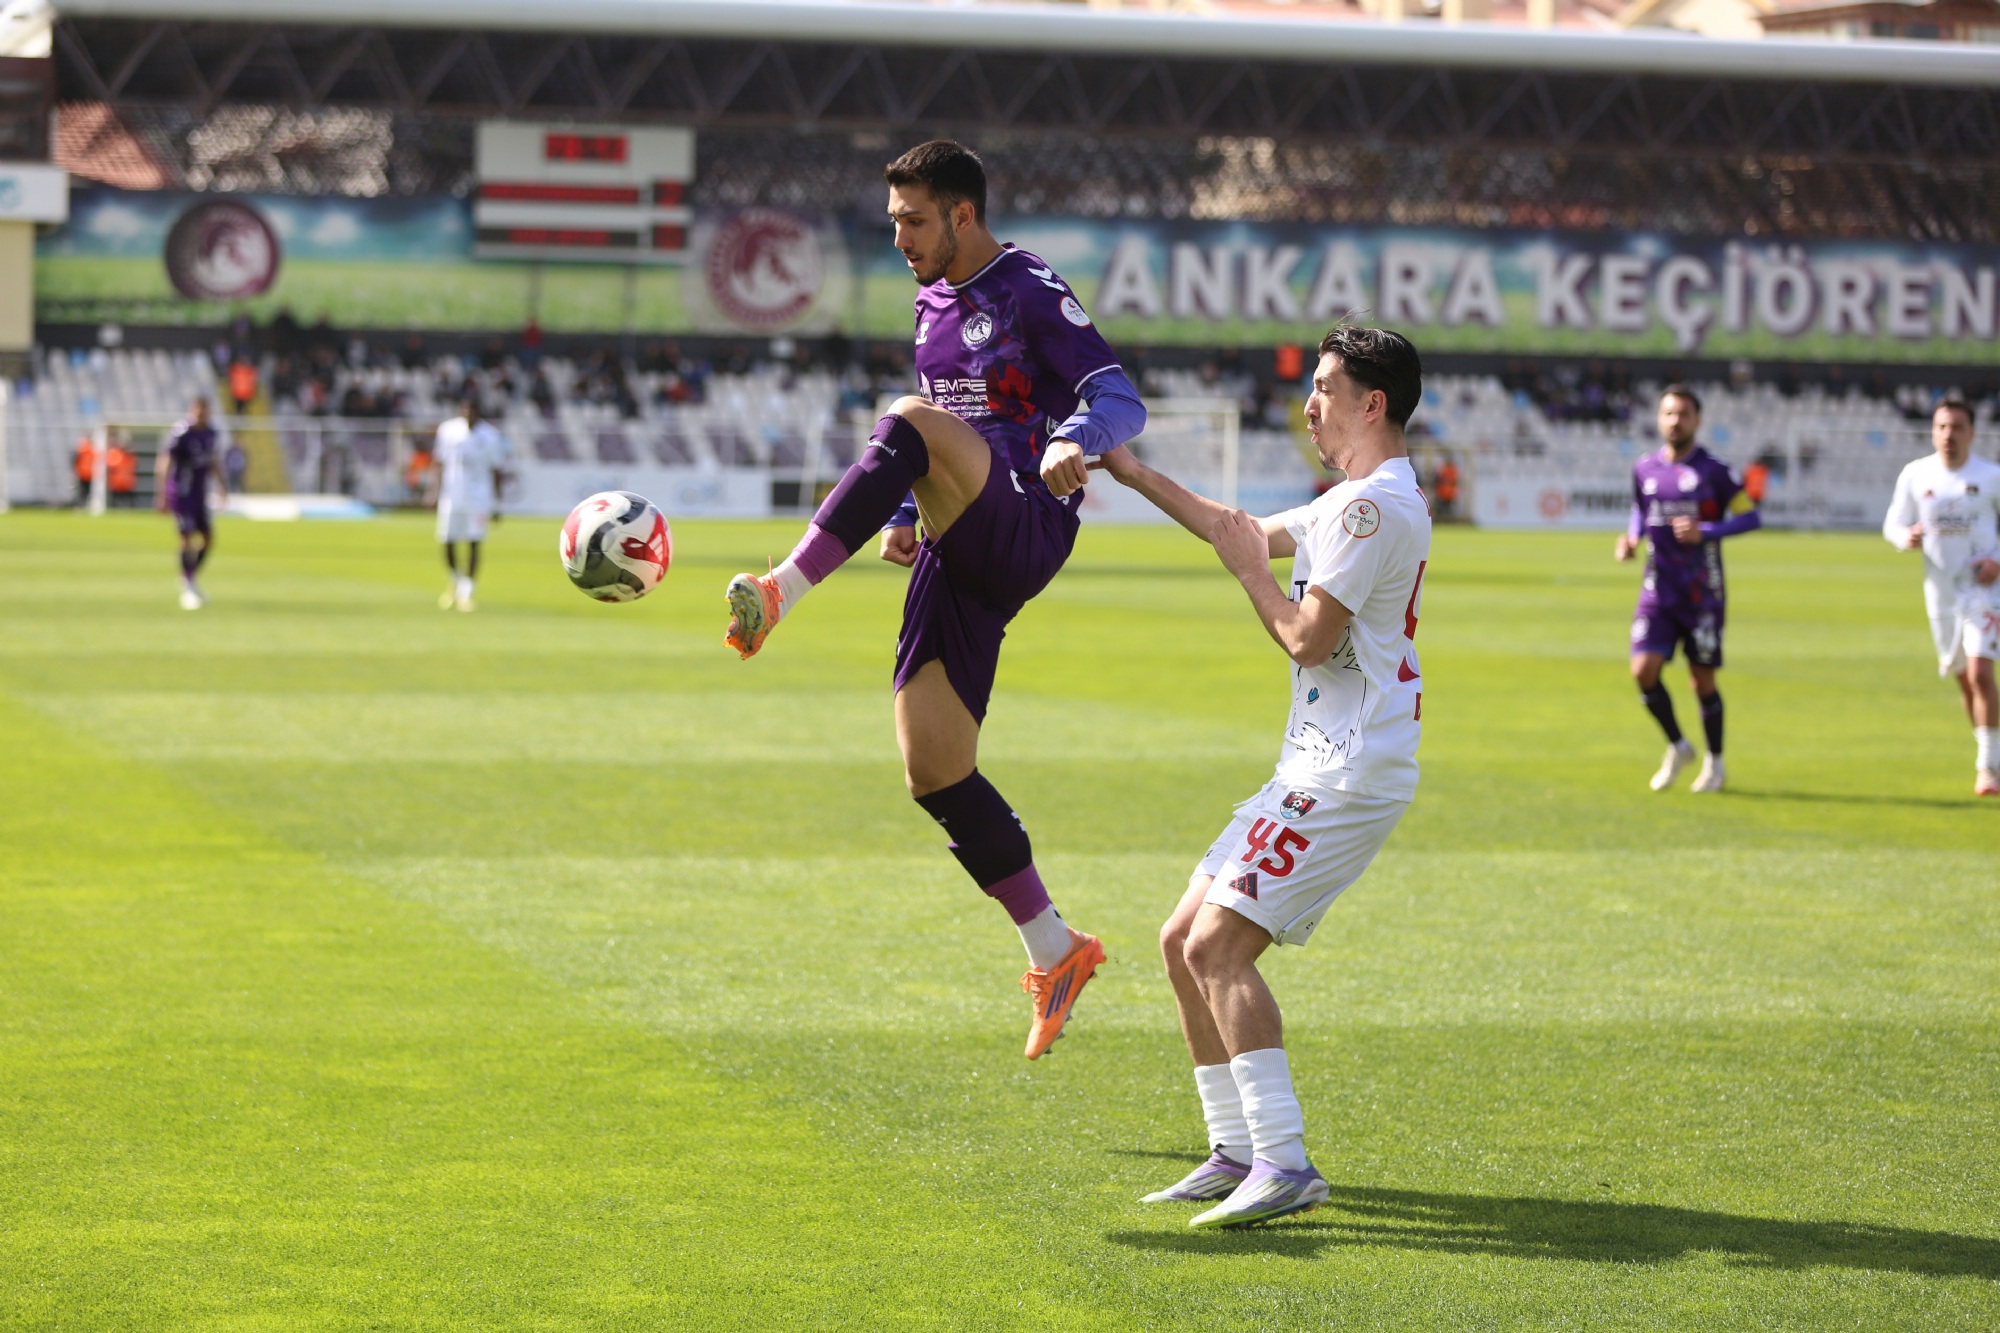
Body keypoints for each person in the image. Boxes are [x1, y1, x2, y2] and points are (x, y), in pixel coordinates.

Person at [721, 140, 1148, 1059]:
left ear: (962, 214)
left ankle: (781, 587)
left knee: (904, 415)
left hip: (1028, 516)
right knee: (935, 770)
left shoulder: (1027, 286)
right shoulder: (929, 305)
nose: (900, 239)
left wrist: (1074, 436)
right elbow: (943, 428)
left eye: (914, 220)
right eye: (894, 222)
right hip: (961, 539)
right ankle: (1056, 948)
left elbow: (1121, 397)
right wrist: (909, 512)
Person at [1101, 325, 1430, 1229]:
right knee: (1181, 938)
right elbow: (1233, 527)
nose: (1309, 405)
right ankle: (1235, 1150)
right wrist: (1129, 471)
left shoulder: (1369, 513)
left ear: (1372, 403)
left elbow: (1306, 637)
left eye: (1324, 387)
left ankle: (1284, 1161)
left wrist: (1252, 574)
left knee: (1218, 946)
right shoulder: (1353, 502)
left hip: (1347, 771)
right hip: (1314, 761)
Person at [1614, 385, 1760, 793]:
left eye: (1683, 414)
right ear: (1659, 419)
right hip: (1657, 590)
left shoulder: (1713, 471)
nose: (1675, 421)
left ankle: (1715, 762)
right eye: (1669, 413)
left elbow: (1750, 517)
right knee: (1643, 671)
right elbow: (1640, 511)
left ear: (1697, 420)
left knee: (1702, 681)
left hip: (1702, 594)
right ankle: (1678, 746)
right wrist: (1631, 538)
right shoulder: (1645, 468)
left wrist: (1706, 531)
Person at [1883, 398, 2000, 794]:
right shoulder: (1916, 474)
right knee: (1964, 680)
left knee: (1981, 672)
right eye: (1942, 427)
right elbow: (1892, 524)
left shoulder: (1991, 476)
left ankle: (1987, 767)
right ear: (1933, 431)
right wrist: (1906, 537)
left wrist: (1997, 561)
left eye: (1957, 427)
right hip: (1941, 593)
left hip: (1983, 590)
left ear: (1972, 433)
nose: (1949, 435)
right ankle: (1991, 752)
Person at [431, 396, 511, 612]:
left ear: (478, 411)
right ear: (460, 410)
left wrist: (497, 503)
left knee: (474, 541)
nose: (468, 413)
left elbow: (496, 469)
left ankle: (467, 591)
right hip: (451, 495)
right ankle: (455, 582)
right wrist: (433, 492)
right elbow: (439, 462)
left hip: (478, 498)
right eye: (465, 409)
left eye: (472, 409)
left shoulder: (491, 435)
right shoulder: (447, 430)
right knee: (447, 541)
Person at [156, 398, 224, 610]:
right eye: (198, 410)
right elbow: (166, 461)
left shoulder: (211, 433)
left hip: (200, 494)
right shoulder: (182, 433)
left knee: (208, 538)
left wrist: (222, 486)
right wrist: (162, 493)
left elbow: (212, 461)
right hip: (181, 493)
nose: (201, 414)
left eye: (205, 410)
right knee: (186, 538)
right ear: (191, 410)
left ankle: (190, 578)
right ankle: (188, 586)